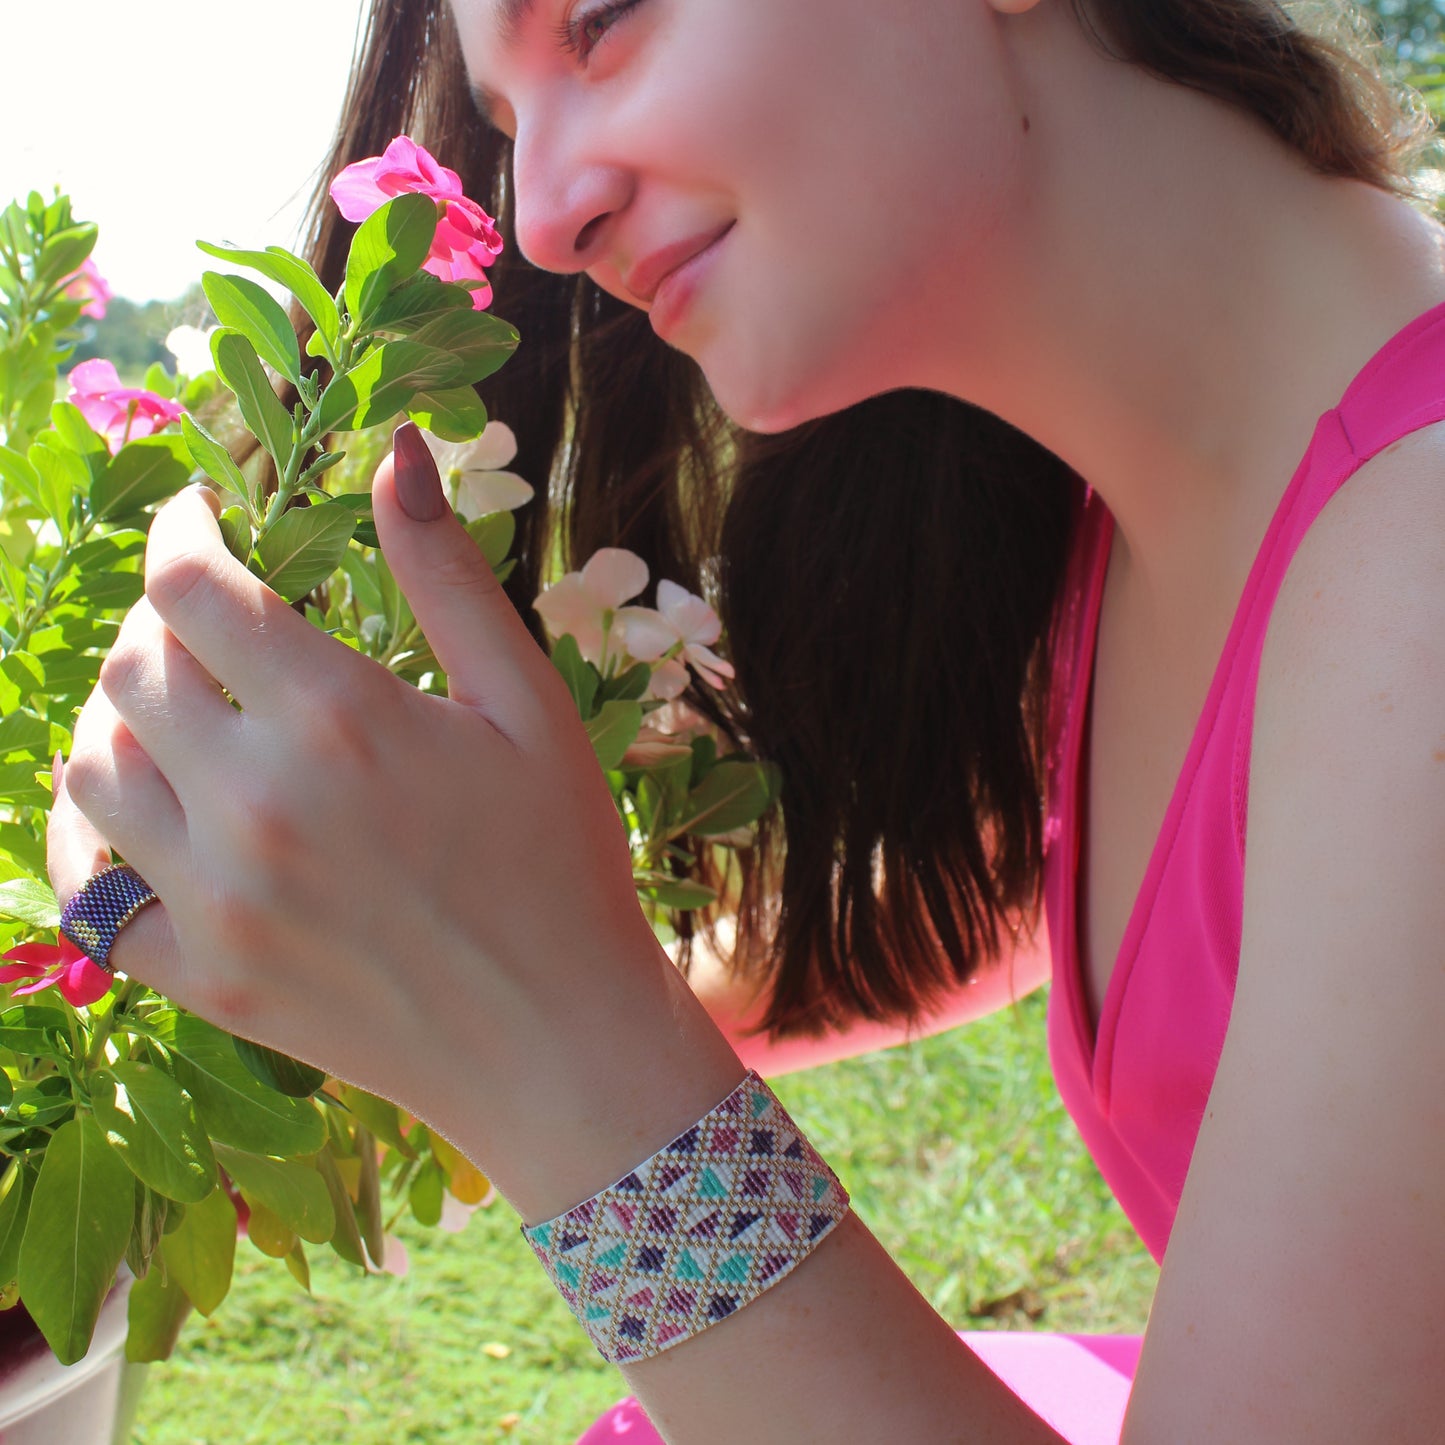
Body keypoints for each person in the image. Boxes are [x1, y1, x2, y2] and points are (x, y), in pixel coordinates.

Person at [47, 0, 1445, 1438]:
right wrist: (419, 969)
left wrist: (552, 1037)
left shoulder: (1420, 570)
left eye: (598, 20)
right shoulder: (1139, 497)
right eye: (511, 121)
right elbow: (1057, 902)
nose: (542, 218)